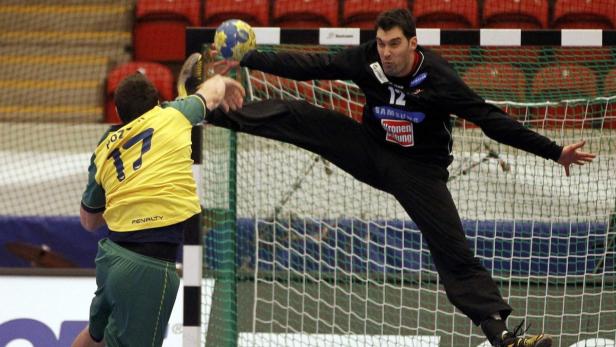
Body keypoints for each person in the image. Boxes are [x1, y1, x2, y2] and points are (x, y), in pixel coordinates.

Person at [202, 8, 596, 347]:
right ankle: (208, 107)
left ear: (413, 43)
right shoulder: (366, 61)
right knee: (301, 117)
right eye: (380, 44)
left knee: (452, 249)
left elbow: (490, 120)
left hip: (419, 172)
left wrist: (553, 151)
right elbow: (312, 67)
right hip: (370, 151)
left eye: (394, 44)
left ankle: (503, 336)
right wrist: (249, 59)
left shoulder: (439, 79)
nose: (386, 53)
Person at [72, 59, 244, 347]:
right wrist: (225, 81)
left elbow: (88, 221)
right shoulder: (172, 115)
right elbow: (212, 93)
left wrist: (124, 191)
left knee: (94, 335)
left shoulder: (104, 147)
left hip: (110, 258)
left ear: (117, 112)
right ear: (158, 102)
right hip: (148, 267)